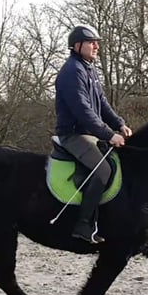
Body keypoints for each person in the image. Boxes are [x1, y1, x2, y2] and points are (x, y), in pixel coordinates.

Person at [54, 24, 132, 244]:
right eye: (92, 42)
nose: (96, 46)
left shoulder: (88, 69)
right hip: (75, 134)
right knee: (102, 170)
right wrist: (109, 134)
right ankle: (83, 225)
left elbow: (102, 104)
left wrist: (119, 124)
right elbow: (83, 111)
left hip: (91, 134)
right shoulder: (72, 71)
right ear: (77, 46)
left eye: (96, 42)